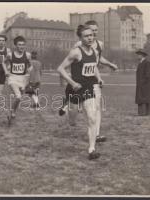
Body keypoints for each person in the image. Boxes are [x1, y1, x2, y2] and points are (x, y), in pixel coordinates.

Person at [59, 20, 118, 143]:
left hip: (92, 81)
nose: (93, 34)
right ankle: (69, 103)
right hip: (78, 82)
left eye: (95, 31)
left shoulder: (99, 45)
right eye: (90, 31)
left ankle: (95, 135)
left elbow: (96, 60)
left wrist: (107, 68)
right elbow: (71, 63)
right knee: (75, 117)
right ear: (82, 34)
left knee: (96, 107)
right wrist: (70, 82)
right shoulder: (77, 47)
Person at [57, 25, 103, 160]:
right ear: (80, 38)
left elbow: (93, 68)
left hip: (88, 88)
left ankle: (92, 149)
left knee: (92, 118)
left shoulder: (95, 52)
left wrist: (99, 78)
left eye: (91, 35)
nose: (90, 38)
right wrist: (72, 83)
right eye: (86, 36)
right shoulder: (75, 52)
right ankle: (67, 110)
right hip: (75, 89)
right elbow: (60, 68)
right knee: (72, 120)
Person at [4, 36, 33, 124]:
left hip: (23, 79)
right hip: (13, 78)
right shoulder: (10, 55)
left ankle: (13, 111)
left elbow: (30, 65)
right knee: (18, 96)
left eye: (23, 45)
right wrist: (6, 71)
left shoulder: (27, 55)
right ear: (15, 46)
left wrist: (30, 69)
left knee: (19, 98)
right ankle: (12, 112)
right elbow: (3, 62)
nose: (21, 46)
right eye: (19, 45)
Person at [135, 49, 150, 116]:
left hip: (145, 85)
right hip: (140, 84)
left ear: (142, 55)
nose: (137, 56)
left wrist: (142, 82)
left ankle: (145, 113)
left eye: (138, 54)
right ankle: (141, 112)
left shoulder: (147, 63)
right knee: (141, 98)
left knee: (145, 99)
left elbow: (148, 74)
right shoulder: (140, 63)